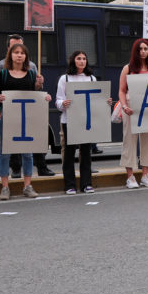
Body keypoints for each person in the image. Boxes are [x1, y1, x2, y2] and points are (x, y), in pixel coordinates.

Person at [0, 43, 50, 199]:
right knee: (5, 152)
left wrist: (43, 94)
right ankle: (5, 187)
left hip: (27, 117)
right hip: (8, 116)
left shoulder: (31, 74)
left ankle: (27, 185)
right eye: (16, 52)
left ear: (26, 57)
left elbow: (34, 95)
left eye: (22, 53)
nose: (19, 55)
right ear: (10, 55)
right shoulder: (3, 74)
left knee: (27, 153)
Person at [57, 50, 112, 194]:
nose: (82, 61)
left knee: (86, 152)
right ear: (73, 60)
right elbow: (58, 100)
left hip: (87, 121)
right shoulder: (65, 79)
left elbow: (97, 100)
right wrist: (64, 103)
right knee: (69, 153)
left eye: (84, 58)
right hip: (69, 120)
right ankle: (69, 185)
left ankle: (86, 183)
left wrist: (106, 101)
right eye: (78, 58)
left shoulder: (92, 78)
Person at [118, 39, 148, 188]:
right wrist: (124, 106)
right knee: (129, 141)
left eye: (146, 49)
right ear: (135, 51)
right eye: (140, 49)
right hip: (131, 109)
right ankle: (130, 177)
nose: (143, 52)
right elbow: (121, 90)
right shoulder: (127, 68)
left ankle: (145, 175)